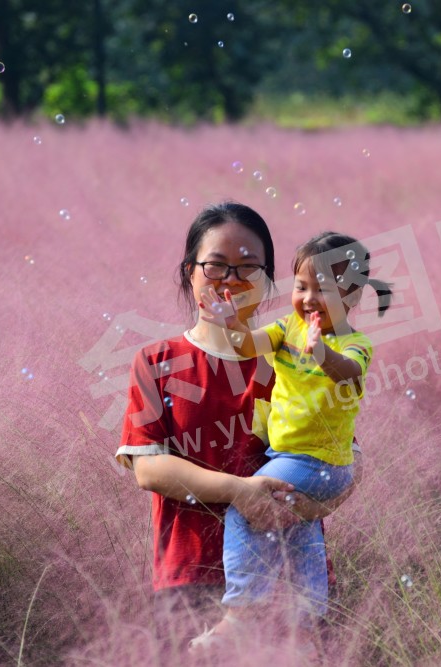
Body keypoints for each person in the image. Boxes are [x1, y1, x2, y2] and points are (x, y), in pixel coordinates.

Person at [114, 203, 361, 655]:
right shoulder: (156, 362)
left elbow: (343, 455)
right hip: (191, 577)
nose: (230, 281)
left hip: (290, 584)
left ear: (269, 281)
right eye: (216, 266)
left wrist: (308, 507)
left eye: (248, 267)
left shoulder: (291, 360)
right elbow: (149, 469)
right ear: (190, 272)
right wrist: (240, 492)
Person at [192, 231, 391, 655]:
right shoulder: (286, 329)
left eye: (326, 290)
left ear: (353, 297)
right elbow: (247, 346)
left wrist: (322, 354)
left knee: (245, 505)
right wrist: (232, 322)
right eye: (302, 287)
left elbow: (347, 373)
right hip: (292, 459)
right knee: (298, 529)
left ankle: (242, 611)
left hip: (322, 463)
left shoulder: (355, 344)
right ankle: (309, 616)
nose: (310, 299)